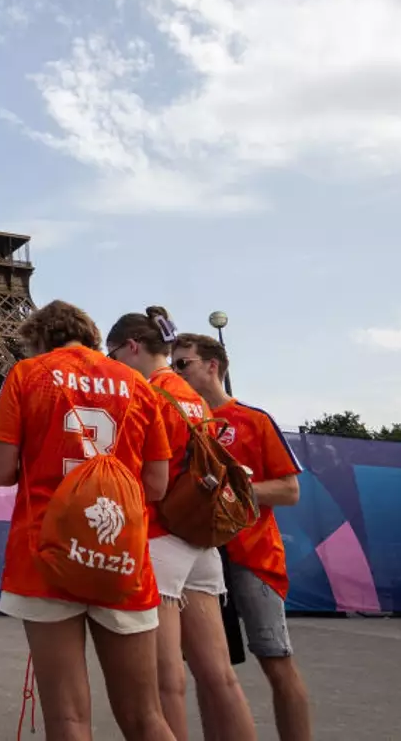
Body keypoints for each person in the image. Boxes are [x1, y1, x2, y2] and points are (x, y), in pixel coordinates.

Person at [0, 300, 177, 741]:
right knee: (146, 717)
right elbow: (157, 484)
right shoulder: (137, 384)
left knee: (69, 718)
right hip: (121, 557)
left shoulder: (28, 374)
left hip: (45, 554)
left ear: (38, 338)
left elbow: (0, 472)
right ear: (92, 337)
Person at [106, 308, 256, 741]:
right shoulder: (190, 395)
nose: (112, 363)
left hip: (160, 536)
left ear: (132, 346)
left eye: (113, 353)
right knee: (220, 675)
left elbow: (146, 477)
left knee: (165, 678)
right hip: (200, 540)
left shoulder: (146, 393)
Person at [173, 333, 312, 741]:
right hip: (200, 560)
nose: (176, 373)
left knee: (277, 662)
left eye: (184, 365)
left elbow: (290, 489)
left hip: (252, 559)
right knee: (209, 671)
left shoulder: (253, 420)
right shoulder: (185, 428)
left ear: (212, 366)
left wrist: (230, 490)